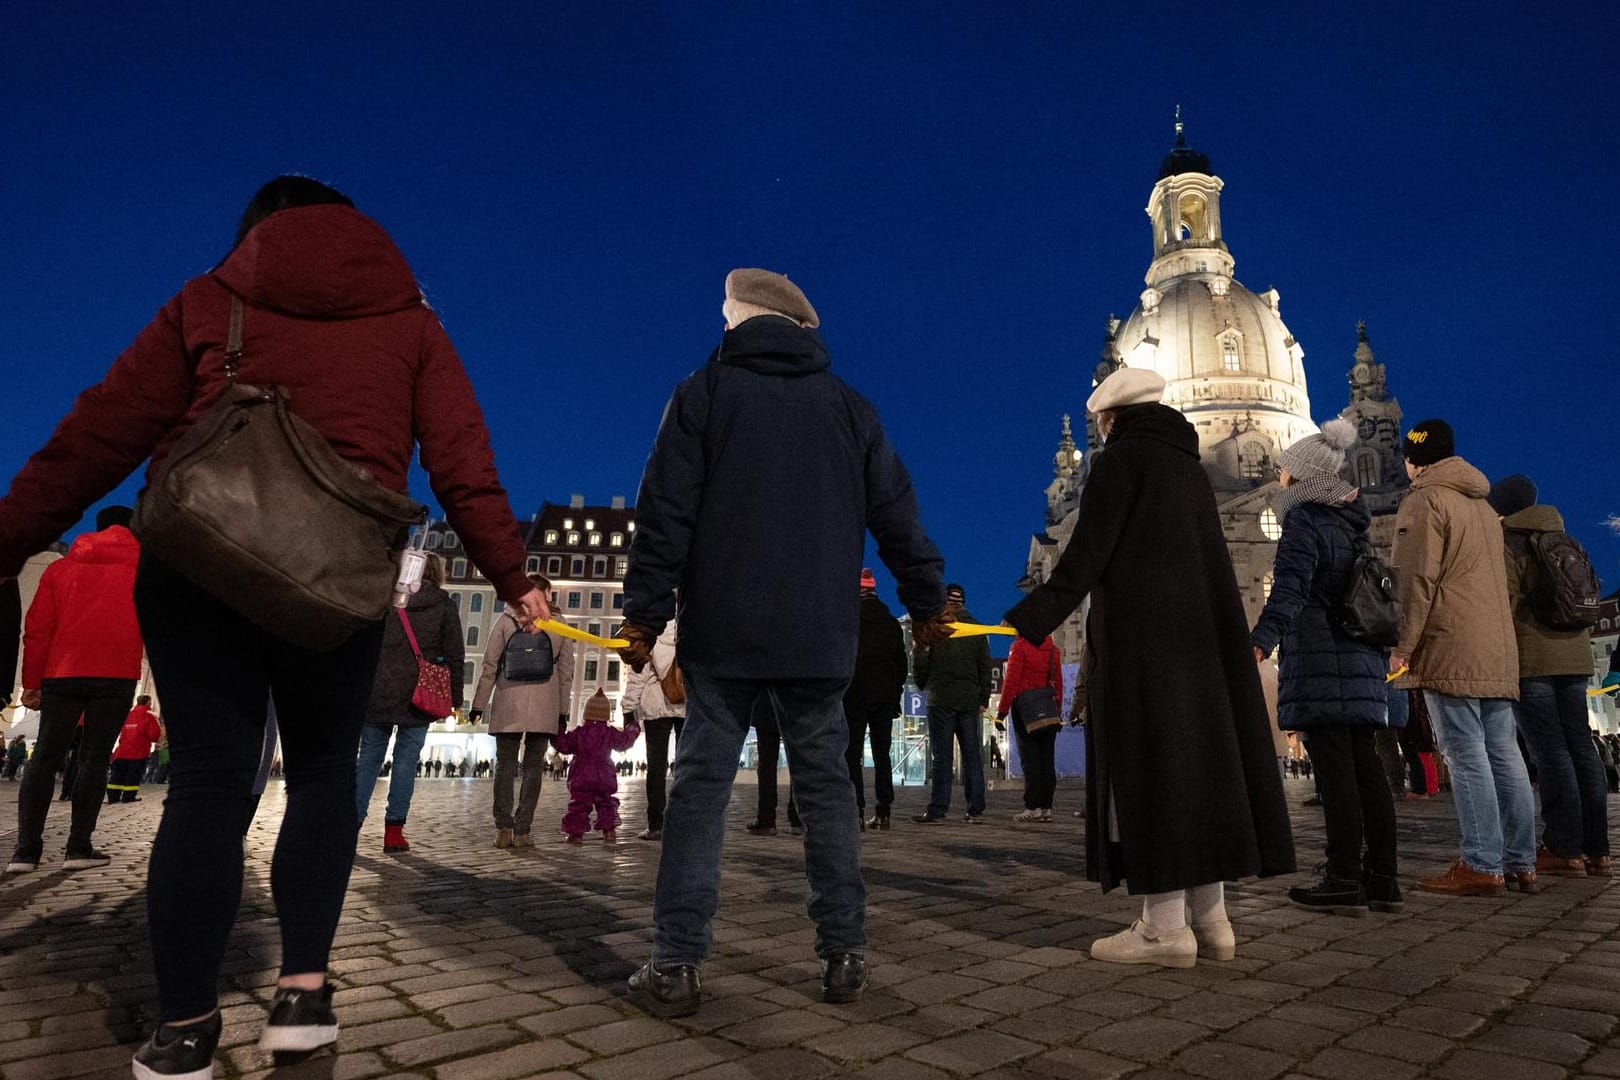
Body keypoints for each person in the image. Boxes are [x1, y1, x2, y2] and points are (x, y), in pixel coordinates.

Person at [0, 176, 549, 1078]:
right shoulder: (413, 325)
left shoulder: (211, 298)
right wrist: (513, 579)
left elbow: (98, 432)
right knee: (326, 776)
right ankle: (300, 998)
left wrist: (11, 536)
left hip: (199, 568)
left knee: (210, 786)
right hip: (333, 585)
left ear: (259, 232)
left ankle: (182, 1030)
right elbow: (464, 467)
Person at [618, 268, 949, 1017]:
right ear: (802, 330)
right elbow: (899, 518)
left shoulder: (702, 394)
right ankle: (844, 952)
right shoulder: (849, 408)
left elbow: (663, 512)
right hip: (816, 635)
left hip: (723, 633)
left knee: (700, 791)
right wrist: (925, 600)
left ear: (734, 322)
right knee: (829, 789)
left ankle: (676, 963)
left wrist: (643, 613)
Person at [1004, 368, 1294, 969]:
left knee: (1154, 772)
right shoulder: (1187, 468)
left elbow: (1087, 553)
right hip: (1204, 651)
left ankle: (1164, 929)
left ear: (1109, 419)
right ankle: (1213, 923)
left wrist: (1030, 617)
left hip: (1146, 649)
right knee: (1204, 772)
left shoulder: (1121, 462)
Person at [1250, 419, 1400, 915]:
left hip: (1320, 658)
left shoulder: (1305, 522)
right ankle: (1383, 877)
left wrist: (1261, 640)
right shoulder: (1352, 525)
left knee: (1336, 776)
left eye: (1285, 470)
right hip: (1358, 658)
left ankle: (1342, 877)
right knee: (1366, 771)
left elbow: (1290, 586)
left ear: (1302, 476)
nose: (1278, 477)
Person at [1389, 420, 1536, 896]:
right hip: (1495, 645)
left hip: (1451, 643)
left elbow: (1414, 581)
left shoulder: (1425, 499)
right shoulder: (1482, 505)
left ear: (1415, 459)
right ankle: (1520, 860)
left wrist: (1402, 648)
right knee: (1505, 754)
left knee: (1465, 755)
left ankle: (1481, 862)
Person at [8, 505, 143, 873]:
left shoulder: (60, 569)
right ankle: (78, 848)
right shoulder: (143, 571)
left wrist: (32, 682)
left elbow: (37, 629)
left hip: (62, 672)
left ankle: (25, 852)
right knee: (94, 759)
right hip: (116, 673)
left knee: (45, 758)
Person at [1489, 474, 1611, 879]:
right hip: (1575, 656)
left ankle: (1563, 846)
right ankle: (1598, 850)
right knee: (1582, 747)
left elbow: (1502, 605)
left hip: (1534, 658)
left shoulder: (1509, 542)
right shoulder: (1565, 537)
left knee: (1550, 752)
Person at [354, 552, 464, 854]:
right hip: (420, 694)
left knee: (368, 759)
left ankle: (351, 826)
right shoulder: (443, 605)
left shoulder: (386, 599)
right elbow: (455, 655)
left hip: (378, 689)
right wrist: (456, 700)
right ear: (437, 573)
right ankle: (393, 833)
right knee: (405, 763)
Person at [469, 574, 574, 849]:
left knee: (504, 766)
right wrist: (562, 711)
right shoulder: (559, 624)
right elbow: (566, 673)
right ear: (545, 594)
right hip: (545, 703)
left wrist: (479, 705)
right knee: (533, 768)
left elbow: (490, 665)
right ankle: (523, 829)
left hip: (508, 699)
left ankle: (503, 828)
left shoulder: (505, 620)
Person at [911, 584, 992, 824]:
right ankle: (975, 809)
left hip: (941, 699)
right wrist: (983, 698)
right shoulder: (976, 628)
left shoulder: (935, 626)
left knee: (941, 757)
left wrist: (924, 683)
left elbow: (921, 663)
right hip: (969, 700)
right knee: (972, 756)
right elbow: (985, 666)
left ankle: (938, 808)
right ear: (963, 602)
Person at [845, 568, 907, 830]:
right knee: (883, 754)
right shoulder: (891, 623)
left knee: (852, 754)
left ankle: (856, 809)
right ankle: (884, 810)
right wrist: (895, 691)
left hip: (854, 696)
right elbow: (901, 664)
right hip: (884, 699)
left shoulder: (849, 620)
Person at [621, 620, 684, 841]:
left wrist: (628, 708)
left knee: (656, 769)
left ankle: (656, 824)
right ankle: (683, 823)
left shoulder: (649, 630)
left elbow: (637, 675)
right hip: (686, 704)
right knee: (686, 769)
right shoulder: (692, 625)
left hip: (655, 706)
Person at [555, 689, 641, 843]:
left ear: (586, 712)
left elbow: (563, 744)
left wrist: (558, 729)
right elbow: (624, 742)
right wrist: (632, 728)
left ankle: (576, 834)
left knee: (578, 805)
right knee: (605, 803)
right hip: (604, 775)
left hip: (582, 775)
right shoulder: (610, 732)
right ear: (606, 715)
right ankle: (609, 832)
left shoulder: (580, 733)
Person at [996, 632, 1064, 823]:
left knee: (1030, 760)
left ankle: (1032, 807)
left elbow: (1011, 681)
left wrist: (1002, 712)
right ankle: (1046, 808)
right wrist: (1057, 710)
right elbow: (1058, 682)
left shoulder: (1019, 647)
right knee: (1046, 760)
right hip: (1049, 708)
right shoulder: (1053, 649)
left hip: (1026, 709)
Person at [749, 704, 801, 836]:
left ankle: (766, 820)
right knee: (797, 761)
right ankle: (797, 819)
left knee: (766, 763)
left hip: (765, 707)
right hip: (792, 705)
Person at [108, 696, 164, 804]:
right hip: (139, 752)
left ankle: (113, 796)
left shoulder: (128, 714)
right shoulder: (149, 715)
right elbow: (154, 734)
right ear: (148, 702)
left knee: (118, 775)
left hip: (123, 751)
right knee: (133, 775)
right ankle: (128, 797)